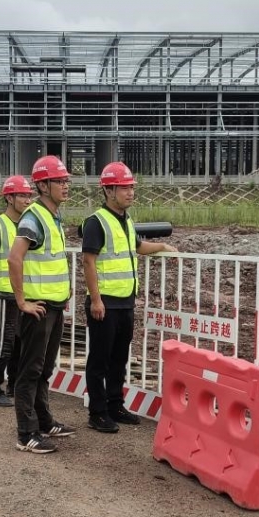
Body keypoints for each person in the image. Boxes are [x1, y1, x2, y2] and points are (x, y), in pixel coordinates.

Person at [82, 161, 176, 433]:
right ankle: (97, 412)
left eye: (132, 187)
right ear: (109, 190)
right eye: (124, 188)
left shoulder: (126, 221)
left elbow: (137, 247)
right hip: (105, 303)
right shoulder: (96, 222)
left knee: (119, 359)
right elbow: (89, 262)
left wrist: (163, 246)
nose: (130, 192)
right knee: (99, 360)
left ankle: (115, 404)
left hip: (125, 302)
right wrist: (96, 300)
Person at [7, 155, 78, 454]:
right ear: (43, 185)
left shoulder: (53, 217)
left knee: (45, 367)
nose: (65, 185)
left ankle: (45, 420)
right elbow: (14, 257)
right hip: (37, 308)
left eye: (66, 180)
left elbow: (51, 262)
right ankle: (27, 433)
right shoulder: (34, 217)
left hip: (54, 306)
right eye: (59, 181)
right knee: (30, 370)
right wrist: (21, 301)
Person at [0, 175, 34, 407]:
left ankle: (13, 384)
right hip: (5, 295)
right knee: (4, 342)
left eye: (29, 195)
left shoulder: (27, 225)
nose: (27, 200)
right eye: (22, 195)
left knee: (21, 342)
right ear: (9, 198)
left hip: (25, 295)